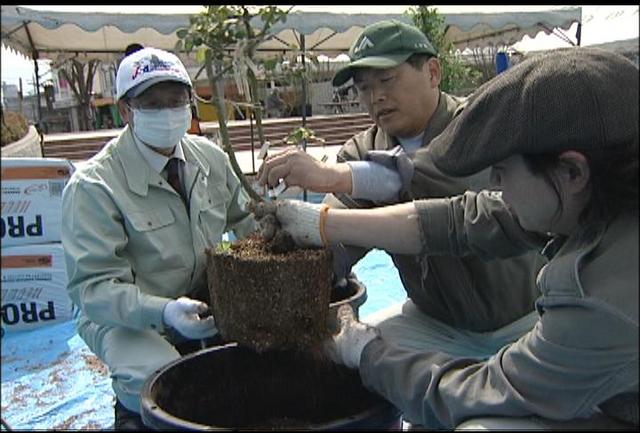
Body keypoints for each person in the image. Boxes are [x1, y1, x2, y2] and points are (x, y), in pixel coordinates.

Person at [255, 47, 639, 429]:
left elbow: (490, 391)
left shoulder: (601, 293)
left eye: (502, 171)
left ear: (573, 171)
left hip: (525, 332)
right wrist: (320, 223)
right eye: (364, 88)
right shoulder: (595, 197)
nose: (493, 183)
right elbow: (461, 220)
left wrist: (370, 355)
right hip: (455, 326)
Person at [258, 20, 545, 347]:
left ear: (433, 73)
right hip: (432, 321)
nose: (376, 97)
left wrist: (339, 177)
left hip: (525, 321)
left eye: (387, 79)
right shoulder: (363, 150)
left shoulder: (477, 123)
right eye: (364, 87)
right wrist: (288, 251)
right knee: (346, 364)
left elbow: (447, 178)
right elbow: (337, 235)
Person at [60, 47, 255, 430]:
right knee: (164, 384)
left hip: (202, 298)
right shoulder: (94, 185)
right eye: (151, 103)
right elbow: (94, 290)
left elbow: (245, 219)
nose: (167, 113)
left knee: (257, 369)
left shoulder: (209, 159)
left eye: (176, 100)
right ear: (125, 111)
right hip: (122, 318)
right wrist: (163, 311)